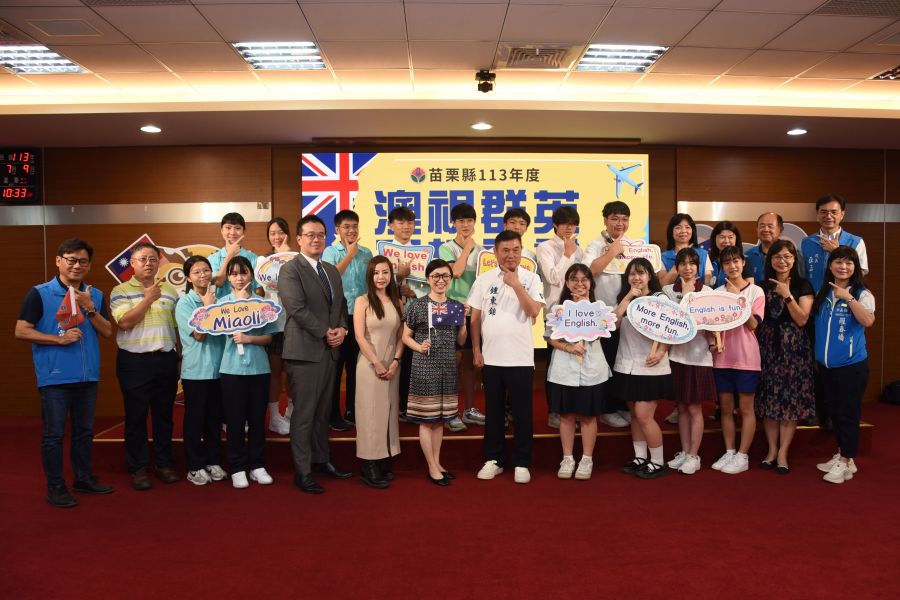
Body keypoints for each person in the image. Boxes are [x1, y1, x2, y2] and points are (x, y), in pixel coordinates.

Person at [15, 238, 114, 508]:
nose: (77, 265)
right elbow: (21, 330)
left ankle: (83, 478)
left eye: (83, 261)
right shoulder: (40, 293)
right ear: (59, 261)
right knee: (54, 435)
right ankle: (56, 487)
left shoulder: (95, 295)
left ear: (89, 265)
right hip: (55, 378)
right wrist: (58, 340)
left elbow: (107, 331)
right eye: (71, 260)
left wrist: (89, 307)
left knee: (84, 432)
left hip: (87, 377)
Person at [279, 215, 352, 494]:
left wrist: (342, 328)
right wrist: (325, 331)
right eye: (310, 235)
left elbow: (340, 306)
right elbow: (296, 308)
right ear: (299, 239)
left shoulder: (331, 270)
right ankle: (303, 471)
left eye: (320, 234)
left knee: (322, 413)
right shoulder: (290, 269)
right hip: (304, 352)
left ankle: (322, 460)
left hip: (329, 351)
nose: (316, 239)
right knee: (305, 414)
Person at [470, 231, 544, 484]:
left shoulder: (532, 278)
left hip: (520, 358)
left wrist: (516, 285)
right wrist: (477, 349)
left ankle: (522, 462)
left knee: (523, 413)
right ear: (495, 252)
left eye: (515, 250)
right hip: (491, 358)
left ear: (521, 251)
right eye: (505, 250)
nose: (511, 255)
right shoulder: (484, 279)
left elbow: (533, 310)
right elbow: (475, 319)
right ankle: (494, 459)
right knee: (493, 412)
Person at [110, 242, 180, 491]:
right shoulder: (120, 290)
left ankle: (164, 464)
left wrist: (179, 357)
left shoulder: (170, 291)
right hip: (134, 362)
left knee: (164, 416)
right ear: (132, 263)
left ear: (159, 262)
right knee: (136, 416)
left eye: (152, 259)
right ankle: (138, 467)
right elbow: (125, 322)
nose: (148, 263)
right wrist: (148, 299)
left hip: (165, 359)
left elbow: (176, 328)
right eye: (142, 259)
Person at [584, 201, 656, 429]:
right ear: (605, 220)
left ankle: (622, 405)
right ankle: (607, 409)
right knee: (606, 361)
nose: (620, 223)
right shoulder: (595, 244)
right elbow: (588, 272)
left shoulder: (634, 246)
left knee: (623, 360)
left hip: (630, 315)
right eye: (615, 218)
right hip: (604, 316)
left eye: (624, 219)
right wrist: (612, 252)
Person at [403, 259, 468, 486]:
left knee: (441, 420)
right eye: (436, 276)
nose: (441, 280)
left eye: (445, 276)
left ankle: (438, 463)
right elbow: (405, 336)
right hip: (425, 367)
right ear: (428, 279)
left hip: (448, 368)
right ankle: (431, 467)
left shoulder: (455, 306)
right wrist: (419, 347)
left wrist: (463, 323)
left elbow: (461, 341)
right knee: (426, 420)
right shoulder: (418, 306)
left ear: (450, 279)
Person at [812, 247, 875, 484]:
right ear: (830, 266)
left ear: (855, 267)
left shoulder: (862, 293)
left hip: (852, 366)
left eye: (849, 263)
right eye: (838, 262)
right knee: (835, 413)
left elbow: (867, 320)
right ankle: (843, 455)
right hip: (827, 366)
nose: (843, 267)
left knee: (848, 414)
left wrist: (848, 298)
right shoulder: (823, 292)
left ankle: (846, 459)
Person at [546, 264, 611, 481]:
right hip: (564, 368)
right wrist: (568, 347)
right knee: (566, 416)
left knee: (589, 416)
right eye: (574, 279)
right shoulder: (558, 308)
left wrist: (585, 306)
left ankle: (586, 459)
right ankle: (567, 458)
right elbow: (550, 337)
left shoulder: (599, 308)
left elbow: (602, 333)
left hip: (592, 369)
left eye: (584, 279)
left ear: (591, 283)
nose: (579, 283)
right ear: (567, 283)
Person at [755, 240, 815, 474]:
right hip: (767, 348)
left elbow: (802, 319)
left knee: (790, 401)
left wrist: (788, 295)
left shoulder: (803, 285)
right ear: (770, 260)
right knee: (769, 400)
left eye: (788, 256)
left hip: (794, 350)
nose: (783, 261)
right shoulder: (761, 286)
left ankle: (783, 452)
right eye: (777, 257)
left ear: (794, 259)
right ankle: (771, 450)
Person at [218, 256, 277, 489]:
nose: (239, 278)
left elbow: (269, 336)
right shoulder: (221, 303)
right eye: (234, 274)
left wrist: (249, 339)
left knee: (257, 419)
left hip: (259, 368)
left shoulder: (262, 304)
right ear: (228, 278)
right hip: (231, 369)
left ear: (251, 274)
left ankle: (257, 465)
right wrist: (238, 305)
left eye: (243, 273)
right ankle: (237, 467)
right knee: (234, 421)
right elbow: (218, 332)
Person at [614, 258, 673, 479]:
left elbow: (671, 329)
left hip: (650, 367)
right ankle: (640, 457)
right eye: (632, 273)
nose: (636, 277)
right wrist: (629, 296)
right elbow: (613, 323)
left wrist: (661, 351)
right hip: (627, 365)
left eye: (641, 273)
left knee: (643, 415)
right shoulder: (625, 299)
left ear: (650, 275)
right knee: (635, 415)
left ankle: (657, 461)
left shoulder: (660, 298)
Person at [710, 246, 764, 475]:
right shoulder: (716, 292)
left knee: (746, 408)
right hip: (721, 358)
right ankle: (730, 451)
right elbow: (711, 325)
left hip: (746, 358)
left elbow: (753, 325)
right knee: (726, 408)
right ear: (721, 267)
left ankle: (743, 456)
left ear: (743, 263)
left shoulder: (756, 292)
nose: (732, 266)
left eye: (735, 261)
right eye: (727, 263)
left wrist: (738, 299)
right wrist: (711, 341)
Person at [661, 248, 716, 475]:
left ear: (698, 267)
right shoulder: (667, 290)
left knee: (694, 407)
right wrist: (683, 295)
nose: (687, 267)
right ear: (677, 267)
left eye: (692, 263)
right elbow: (670, 322)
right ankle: (684, 451)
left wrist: (687, 297)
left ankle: (694, 455)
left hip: (699, 357)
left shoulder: (708, 292)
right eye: (682, 263)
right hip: (676, 356)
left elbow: (710, 325)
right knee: (682, 406)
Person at [175, 256, 227, 485]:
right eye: (196, 272)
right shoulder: (185, 303)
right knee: (195, 420)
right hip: (196, 371)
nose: (203, 275)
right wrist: (207, 307)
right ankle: (194, 466)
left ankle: (213, 461)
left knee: (214, 419)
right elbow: (199, 334)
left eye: (206, 270)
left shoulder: (220, 300)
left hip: (220, 370)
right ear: (188, 277)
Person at [353, 256, 404, 489]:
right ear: (370, 276)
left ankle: (384, 456)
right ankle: (368, 464)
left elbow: (401, 336)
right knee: (370, 413)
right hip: (369, 365)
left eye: (385, 272)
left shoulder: (397, 302)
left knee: (388, 411)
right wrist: (377, 363)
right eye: (376, 273)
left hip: (392, 366)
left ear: (391, 275)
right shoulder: (362, 301)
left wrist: (395, 361)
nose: (381, 277)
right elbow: (359, 336)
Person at [323, 209, 374, 432]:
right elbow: (330, 278)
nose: (351, 230)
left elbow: (372, 283)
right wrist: (350, 254)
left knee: (357, 368)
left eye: (354, 226)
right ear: (337, 229)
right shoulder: (330, 252)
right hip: (337, 317)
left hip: (361, 316)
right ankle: (333, 414)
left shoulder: (367, 253)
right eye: (346, 227)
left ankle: (353, 411)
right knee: (335, 369)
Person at [438, 202, 487, 432]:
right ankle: (450, 412)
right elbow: (455, 272)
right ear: (453, 223)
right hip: (452, 310)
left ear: (474, 223)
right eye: (460, 221)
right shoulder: (446, 248)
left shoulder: (484, 251)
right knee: (451, 362)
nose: (465, 225)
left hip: (474, 312)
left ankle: (468, 409)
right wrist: (467, 248)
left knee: (469, 363)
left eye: (469, 220)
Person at [537, 205, 585, 430]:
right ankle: (554, 412)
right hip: (555, 312)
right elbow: (553, 278)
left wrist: (572, 251)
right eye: (565, 223)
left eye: (573, 224)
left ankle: (574, 410)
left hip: (577, 312)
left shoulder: (579, 249)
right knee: (555, 363)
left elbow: (583, 280)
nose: (569, 228)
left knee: (576, 361)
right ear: (555, 225)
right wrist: (566, 254)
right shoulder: (544, 247)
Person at [388, 206, 429, 423]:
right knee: (391, 358)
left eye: (410, 222)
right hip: (390, 315)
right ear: (390, 225)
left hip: (416, 315)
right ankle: (389, 407)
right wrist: (397, 280)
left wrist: (414, 292)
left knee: (413, 361)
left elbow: (431, 285)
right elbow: (375, 284)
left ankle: (408, 406)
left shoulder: (423, 254)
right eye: (401, 222)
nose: (406, 226)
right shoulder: (383, 252)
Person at [263, 217, 294, 436]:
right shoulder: (262, 261)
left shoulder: (296, 258)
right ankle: (274, 417)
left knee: (292, 372)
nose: (277, 236)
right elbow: (259, 292)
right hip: (273, 324)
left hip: (294, 323)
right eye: (272, 233)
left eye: (281, 232)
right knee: (274, 372)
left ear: (288, 234)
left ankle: (291, 413)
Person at [801, 194, 868, 294]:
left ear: (842, 215)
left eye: (834, 212)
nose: (828, 216)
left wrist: (837, 252)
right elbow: (801, 274)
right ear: (817, 214)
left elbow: (860, 273)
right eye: (824, 212)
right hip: (813, 298)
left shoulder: (856, 242)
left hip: (843, 298)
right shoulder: (806, 242)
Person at [209, 212, 258, 297]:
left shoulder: (253, 258)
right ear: (222, 231)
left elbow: (257, 287)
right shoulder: (213, 259)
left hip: (247, 303)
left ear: (243, 231)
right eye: (228, 228)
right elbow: (218, 282)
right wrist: (230, 255)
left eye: (237, 228)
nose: (232, 232)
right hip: (221, 304)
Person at [659, 213, 712, 287]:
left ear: (692, 231)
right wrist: (681, 258)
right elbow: (663, 285)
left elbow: (708, 284)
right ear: (671, 231)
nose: (683, 231)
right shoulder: (663, 257)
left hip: (699, 294)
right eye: (678, 227)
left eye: (687, 227)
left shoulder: (703, 254)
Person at [708, 221, 754, 287]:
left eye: (730, 237)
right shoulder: (709, 260)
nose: (726, 241)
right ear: (714, 239)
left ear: (736, 239)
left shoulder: (745, 260)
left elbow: (750, 289)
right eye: (722, 237)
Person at [744, 213, 784, 283]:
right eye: (762, 226)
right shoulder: (748, 256)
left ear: (780, 230)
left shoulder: (791, 255)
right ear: (757, 229)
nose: (766, 229)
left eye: (770, 226)